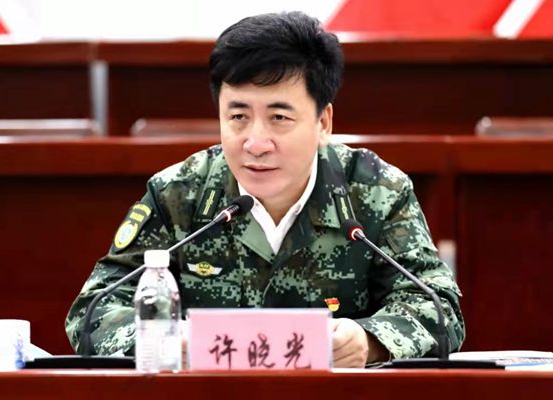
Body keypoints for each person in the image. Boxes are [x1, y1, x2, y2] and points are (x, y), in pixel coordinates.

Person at [65, 11, 465, 367]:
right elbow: (93, 311)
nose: (255, 143)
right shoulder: (178, 193)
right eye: (238, 116)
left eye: (279, 118)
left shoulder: (376, 190)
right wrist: (164, 341)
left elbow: (439, 307)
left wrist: (371, 341)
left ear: (323, 123)